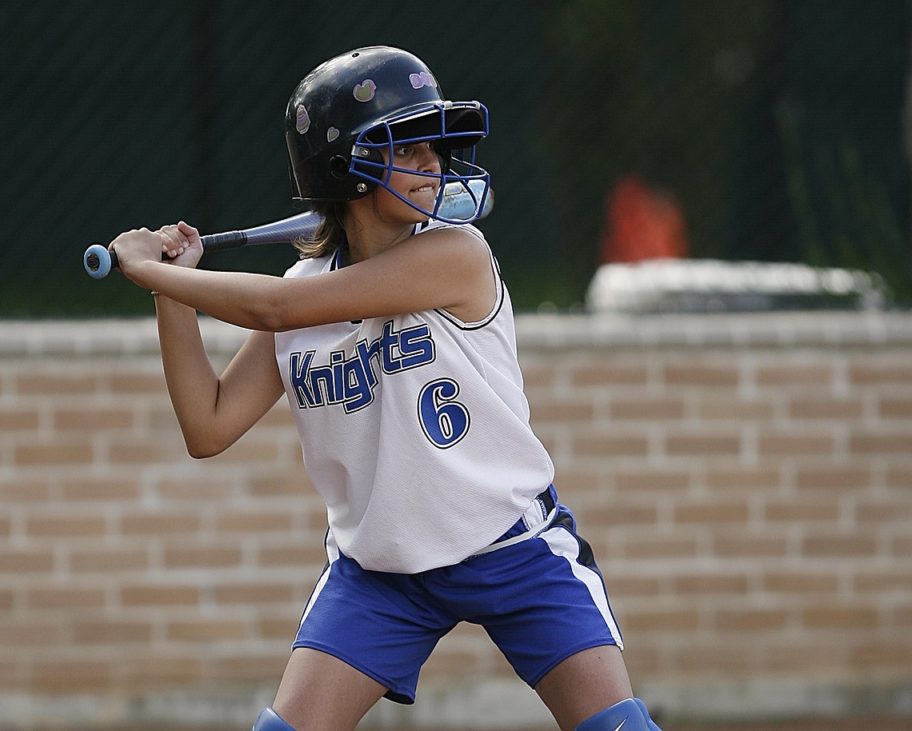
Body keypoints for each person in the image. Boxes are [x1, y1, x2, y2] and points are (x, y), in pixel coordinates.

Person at [107, 46, 661, 731]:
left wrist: (153, 273)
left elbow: (276, 311)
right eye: (408, 148)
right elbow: (209, 423)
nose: (434, 164)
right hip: (380, 572)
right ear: (345, 170)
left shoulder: (455, 253)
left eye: (436, 147)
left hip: (511, 546)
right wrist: (173, 296)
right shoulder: (303, 291)